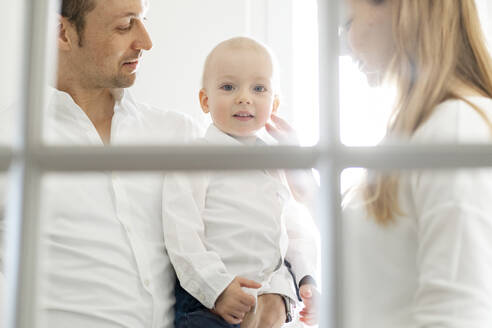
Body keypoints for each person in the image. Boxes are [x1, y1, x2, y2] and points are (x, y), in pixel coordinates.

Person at [268, 0, 492, 327]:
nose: (343, 46)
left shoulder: (455, 129)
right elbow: (384, 256)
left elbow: (457, 315)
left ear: (399, 9)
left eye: (348, 23)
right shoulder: (418, 131)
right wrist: (308, 191)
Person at [0, 0, 202, 327]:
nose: (146, 42)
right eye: (125, 25)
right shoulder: (9, 144)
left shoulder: (178, 135)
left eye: (144, 20)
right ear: (62, 32)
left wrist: (280, 294)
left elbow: (256, 220)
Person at [162, 37, 320, 328]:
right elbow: (182, 235)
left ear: (274, 104)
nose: (244, 97)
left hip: (269, 297)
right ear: (205, 100)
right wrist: (217, 289)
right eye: (228, 87)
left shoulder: (275, 163)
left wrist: (306, 278)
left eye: (258, 88)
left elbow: (294, 232)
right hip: (210, 303)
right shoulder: (195, 157)